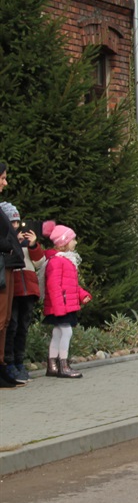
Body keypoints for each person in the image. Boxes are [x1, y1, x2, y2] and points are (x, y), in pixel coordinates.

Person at [3, 202, 46, 384]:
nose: (15, 226)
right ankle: (9, 362)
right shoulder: (6, 241)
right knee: (11, 326)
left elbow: (40, 262)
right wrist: (14, 242)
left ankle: (20, 362)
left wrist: (33, 244)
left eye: (17, 222)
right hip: (13, 290)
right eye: (11, 222)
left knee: (23, 327)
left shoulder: (27, 244)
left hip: (29, 290)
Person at [42, 225, 91, 379]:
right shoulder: (57, 261)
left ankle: (52, 365)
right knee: (66, 332)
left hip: (63, 304)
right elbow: (53, 286)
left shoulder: (66, 260)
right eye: (73, 239)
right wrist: (59, 308)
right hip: (61, 305)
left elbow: (71, 285)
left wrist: (82, 295)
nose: (75, 242)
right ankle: (63, 365)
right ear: (63, 242)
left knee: (58, 332)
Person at [0, 161, 23, 389]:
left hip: (7, 266)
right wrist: (6, 245)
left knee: (5, 320)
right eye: (2, 178)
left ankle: (2, 366)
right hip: (1, 266)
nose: (5, 182)